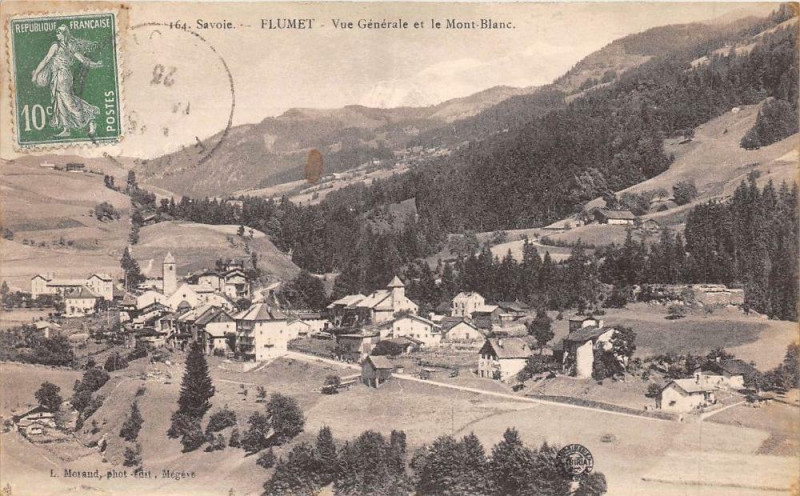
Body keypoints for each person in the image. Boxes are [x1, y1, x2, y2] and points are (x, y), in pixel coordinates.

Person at [31, 25, 103, 137]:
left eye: (59, 33)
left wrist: (95, 64)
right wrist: (36, 74)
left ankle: (89, 120)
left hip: (63, 76)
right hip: (57, 76)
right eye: (57, 33)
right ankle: (66, 129)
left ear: (64, 34)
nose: (57, 35)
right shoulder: (59, 45)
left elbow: (82, 59)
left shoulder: (66, 46)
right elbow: (46, 60)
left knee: (68, 103)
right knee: (60, 102)